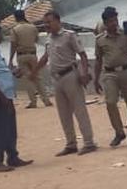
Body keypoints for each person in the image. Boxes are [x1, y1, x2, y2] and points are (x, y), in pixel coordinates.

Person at [37, 11, 97, 156]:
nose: (46, 25)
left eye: (49, 22)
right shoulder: (48, 39)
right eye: (44, 23)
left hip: (70, 75)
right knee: (63, 113)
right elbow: (46, 57)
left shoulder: (69, 35)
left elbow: (82, 55)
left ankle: (89, 142)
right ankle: (71, 144)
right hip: (56, 79)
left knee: (79, 110)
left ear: (58, 21)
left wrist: (84, 73)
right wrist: (34, 71)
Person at [0, 24, 33, 173]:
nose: (2, 37)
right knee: (1, 129)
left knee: (10, 128)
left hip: (5, 96)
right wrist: (1, 97)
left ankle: (13, 157)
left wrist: (13, 73)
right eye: (0, 34)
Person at [94, 7, 127, 147]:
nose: (114, 23)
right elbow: (98, 60)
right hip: (109, 73)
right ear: (105, 23)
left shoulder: (126, 34)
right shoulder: (100, 40)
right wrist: (95, 79)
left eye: (115, 20)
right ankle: (119, 132)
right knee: (110, 102)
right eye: (110, 21)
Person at [9, 9, 52, 109]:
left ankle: (33, 101)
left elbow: (13, 45)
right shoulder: (33, 27)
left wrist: (11, 59)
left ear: (15, 17)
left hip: (21, 55)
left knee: (28, 79)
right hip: (33, 54)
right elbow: (36, 39)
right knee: (37, 76)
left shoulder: (15, 29)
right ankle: (46, 100)